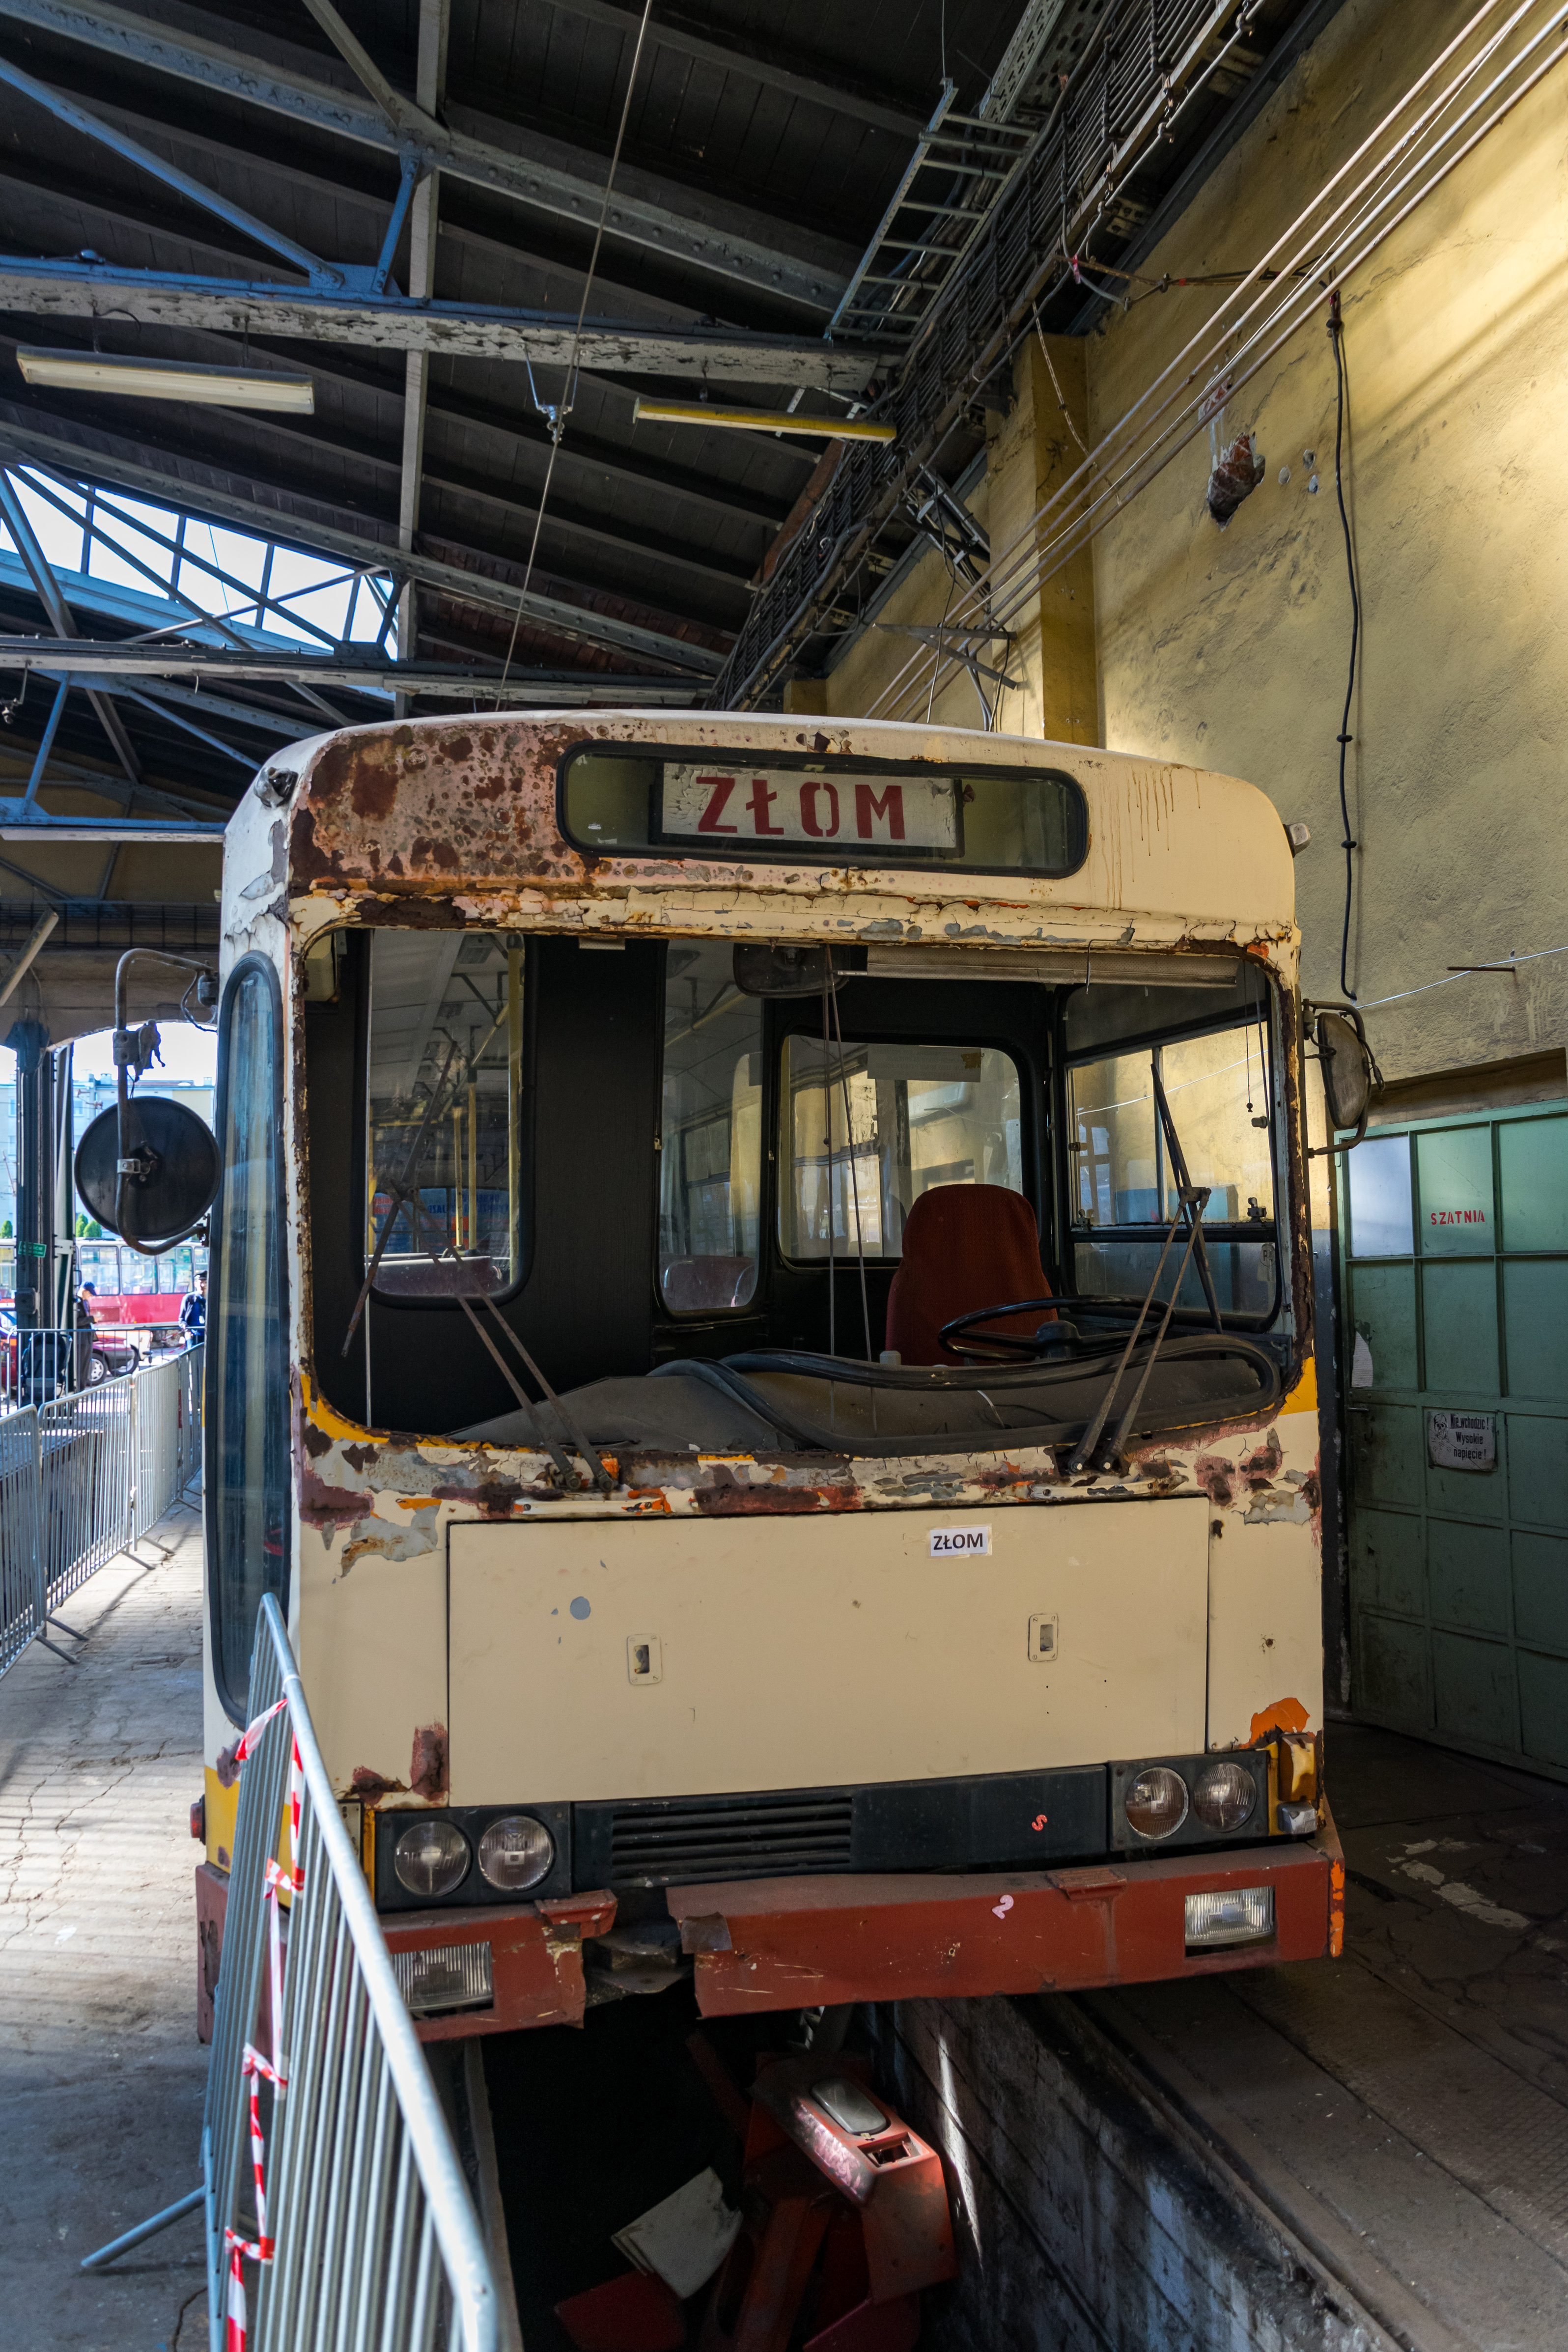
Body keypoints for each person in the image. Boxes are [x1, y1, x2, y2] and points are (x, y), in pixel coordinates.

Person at [179, 1272, 207, 1345]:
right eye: (201, 1283)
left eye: (206, 1283)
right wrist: (187, 1330)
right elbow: (181, 1319)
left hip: (208, 1336)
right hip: (194, 1337)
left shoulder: (212, 1299)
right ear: (195, 1284)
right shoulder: (188, 1299)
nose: (203, 1285)